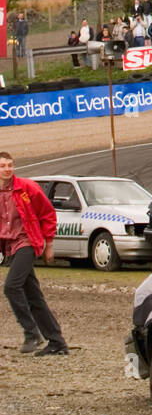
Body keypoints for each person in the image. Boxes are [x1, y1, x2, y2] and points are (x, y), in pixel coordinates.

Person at [0, 151, 68, 355]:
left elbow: (48, 213)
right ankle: (57, 343)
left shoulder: (26, 188)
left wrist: (49, 244)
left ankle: (32, 334)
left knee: (11, 287)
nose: (7, 169)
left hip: (28, 242)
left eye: (10, 165)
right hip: (10, 246)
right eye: (3, 166)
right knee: (34, 297)